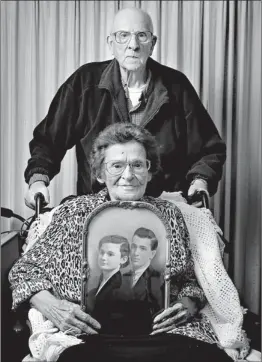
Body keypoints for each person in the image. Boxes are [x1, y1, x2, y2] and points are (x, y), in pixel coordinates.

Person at [9, 123, 246, 362]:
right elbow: (24, 271)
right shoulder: (72, 212)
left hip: (165, 333)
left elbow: (189, 280)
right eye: (117, 166)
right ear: (100, 174)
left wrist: (188, 303)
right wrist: (53, 306)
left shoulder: (169, 215)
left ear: (149, 171)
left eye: (138, 165)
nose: (129, 175)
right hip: (87, 334)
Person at [24, 7, 226, 210]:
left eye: (142, 36)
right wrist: (38, 179)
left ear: (153, 44)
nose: (133, 45)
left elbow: (209, 150)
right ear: (111, 44)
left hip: (162, 207)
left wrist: (200, 181)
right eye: (123, 36)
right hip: (98, 208)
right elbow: (48, 140)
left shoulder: (176, 87)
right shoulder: (84, 83)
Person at [129, 227, 164, 317]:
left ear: (152, 254)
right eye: (133, 247)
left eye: (142, 248)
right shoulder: (122, 277)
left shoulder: (160, 279)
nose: (135, 252)